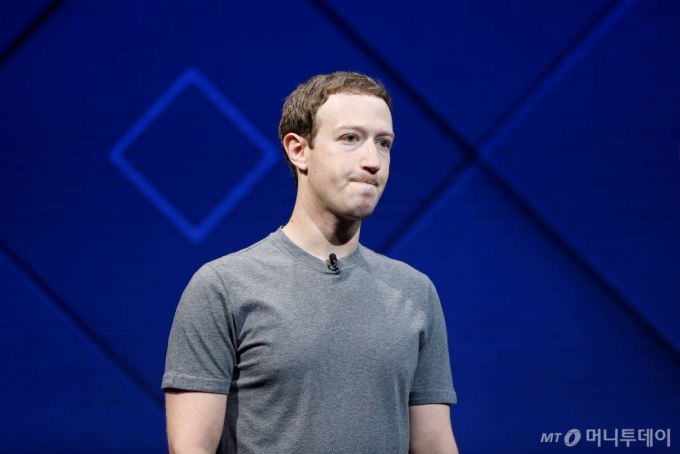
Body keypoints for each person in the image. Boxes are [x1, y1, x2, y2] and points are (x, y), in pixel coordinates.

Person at [162, 71, 458, 453]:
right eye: (351, 139)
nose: (373, 161)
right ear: (298, 150)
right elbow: (191, 448)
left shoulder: (415, 291)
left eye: (383, 143)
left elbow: (434, 444)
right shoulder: (223, 287)